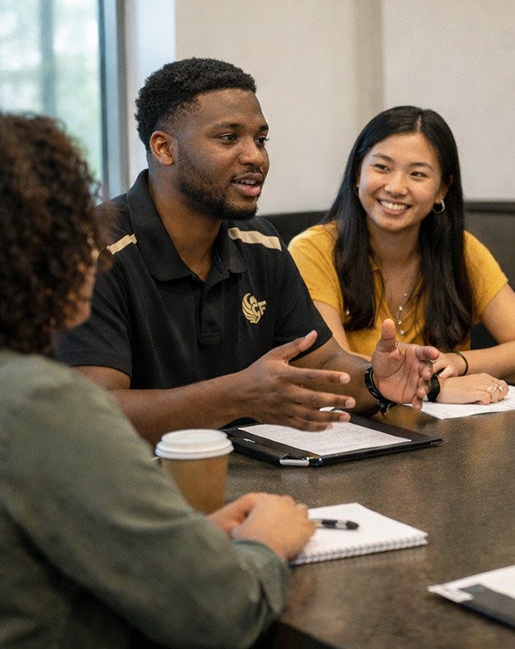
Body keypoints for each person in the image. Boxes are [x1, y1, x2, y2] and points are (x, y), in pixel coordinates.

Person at [0, 111, 315, 648]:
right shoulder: (39, 402)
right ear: (45, 250)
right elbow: (218, 613)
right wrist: (263, 544)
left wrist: (181, 545)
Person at [55, 58, 437, 444]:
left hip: (244, 476)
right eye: (228, 138)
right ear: (163, 148)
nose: (254, 156)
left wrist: (374, 380)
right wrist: (236, 396)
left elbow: (323, 363)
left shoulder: (261, 242)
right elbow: (93, 413)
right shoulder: (95, 248)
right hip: (132, 486)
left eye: (260, 139)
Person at [288, 106, 515, 406]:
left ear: (442, 189)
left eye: (417, 174)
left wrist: (459, 362)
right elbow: (331, 364)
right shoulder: (313, 250)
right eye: (382, 167)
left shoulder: (462, 250)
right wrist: (434, 385)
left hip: (450, 433)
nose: (396, 187)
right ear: (357, 173)